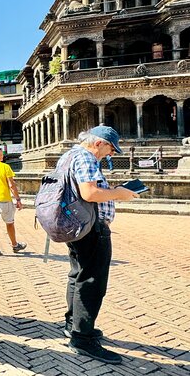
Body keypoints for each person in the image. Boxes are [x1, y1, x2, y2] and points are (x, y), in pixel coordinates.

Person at [59, 126, 138, 365]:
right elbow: (90, 193)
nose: (111, 154)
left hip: (76, 224)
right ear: (98, 143)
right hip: (91, 227)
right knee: (92, 280)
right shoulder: (85, 157)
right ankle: (82, 338)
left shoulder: (69, 154)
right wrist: (118, 193)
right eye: (111, 148)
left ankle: (73, 325)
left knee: (78, 275)